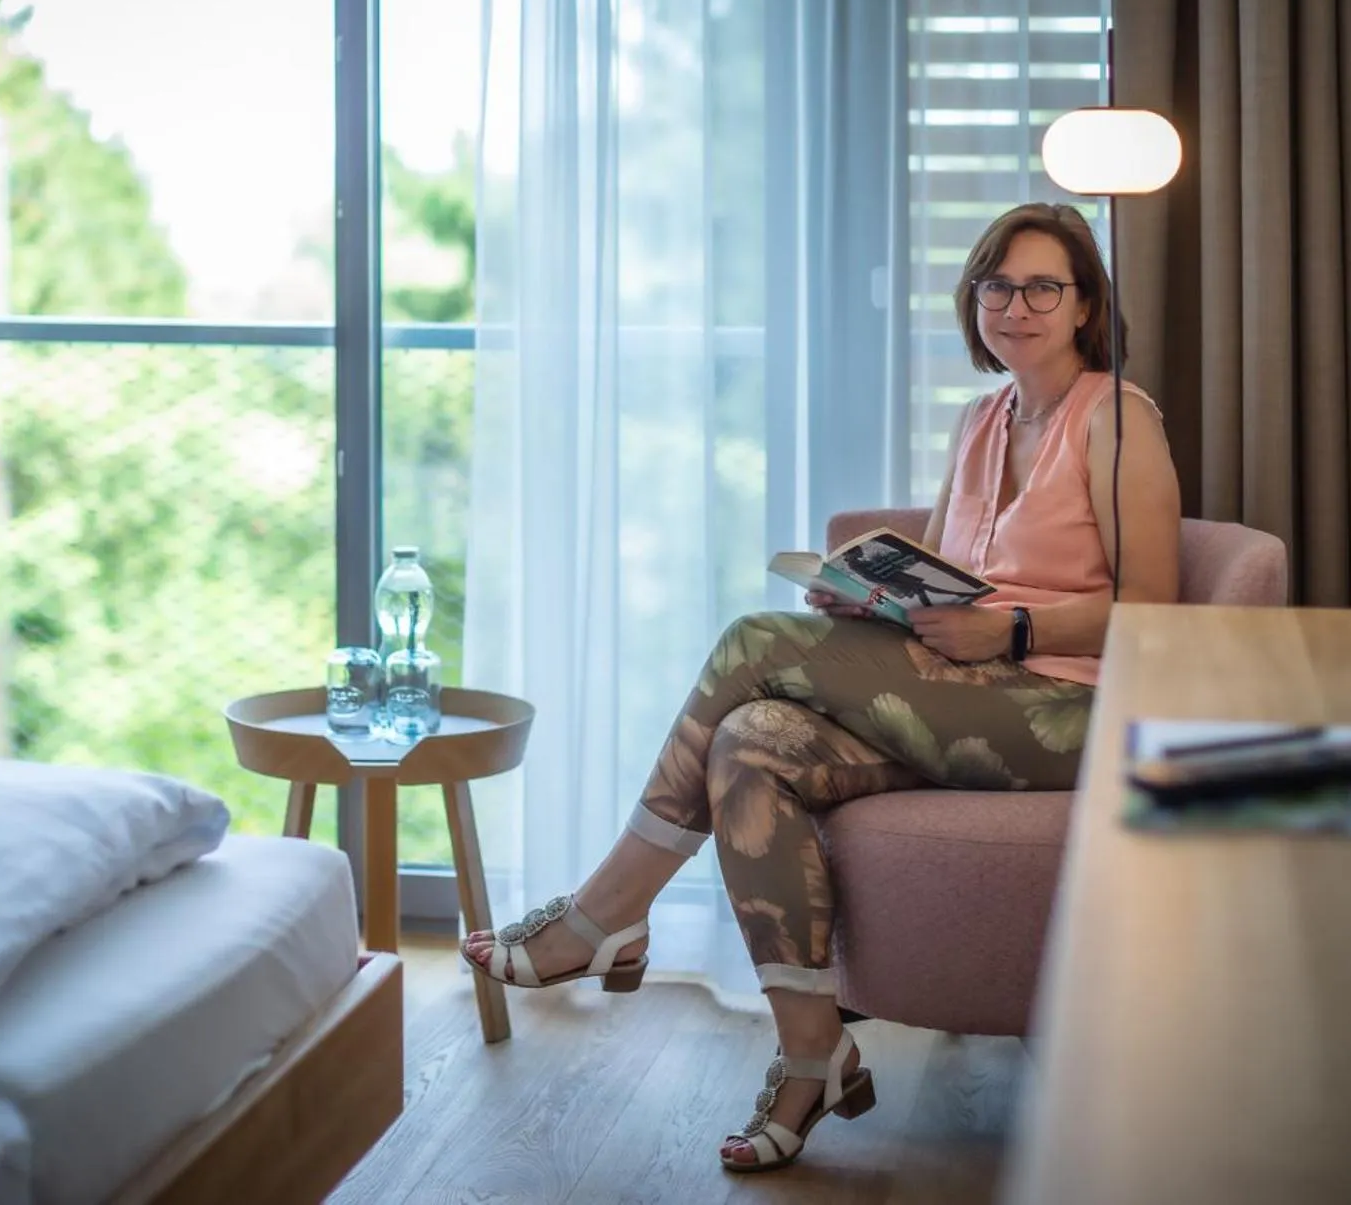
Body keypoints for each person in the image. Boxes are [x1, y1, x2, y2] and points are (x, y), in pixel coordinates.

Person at [461, 202, 1184, 1173]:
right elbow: (948, 577)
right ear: (971, 300)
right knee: (749, 740)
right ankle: (811, 1051)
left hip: (1073, 712)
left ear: (1085, 306)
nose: (1016, 307)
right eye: (995, 286)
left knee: (754, 640)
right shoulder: (981, 419)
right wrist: (869, 602)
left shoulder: (1117, 419)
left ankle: (601, 916)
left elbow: (1156, 607)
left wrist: (1009, 626)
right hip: (963, 691)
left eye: (1043, 287)